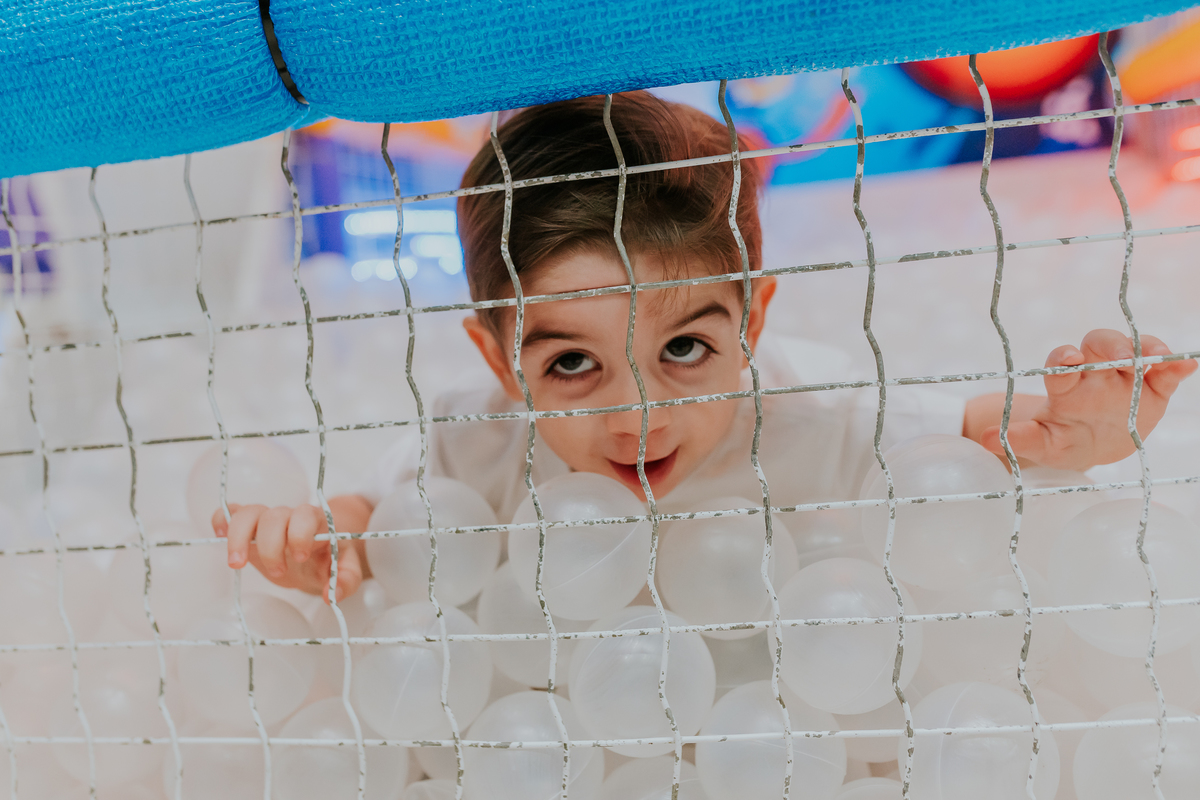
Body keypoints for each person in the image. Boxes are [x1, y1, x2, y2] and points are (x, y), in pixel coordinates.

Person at [211, 91, 1197, 603]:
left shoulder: (811, 411)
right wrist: (316, 537)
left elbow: (978, 430)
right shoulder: (475, 442)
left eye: (685, 347)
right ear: (500, 358)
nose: (637, 411)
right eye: (570, 363)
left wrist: (1080, 432)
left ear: (753, 323)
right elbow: (378, 511)